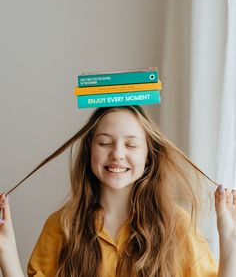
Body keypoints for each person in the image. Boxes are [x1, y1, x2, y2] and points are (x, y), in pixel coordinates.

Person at [0, 105, 235, 277]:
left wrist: (230, 240)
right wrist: (6, 250)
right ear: (89, 150)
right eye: (104, 142)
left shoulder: (176, 225)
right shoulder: (61, 225)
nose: (117, 153)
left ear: (148, 155)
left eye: (131, 144)